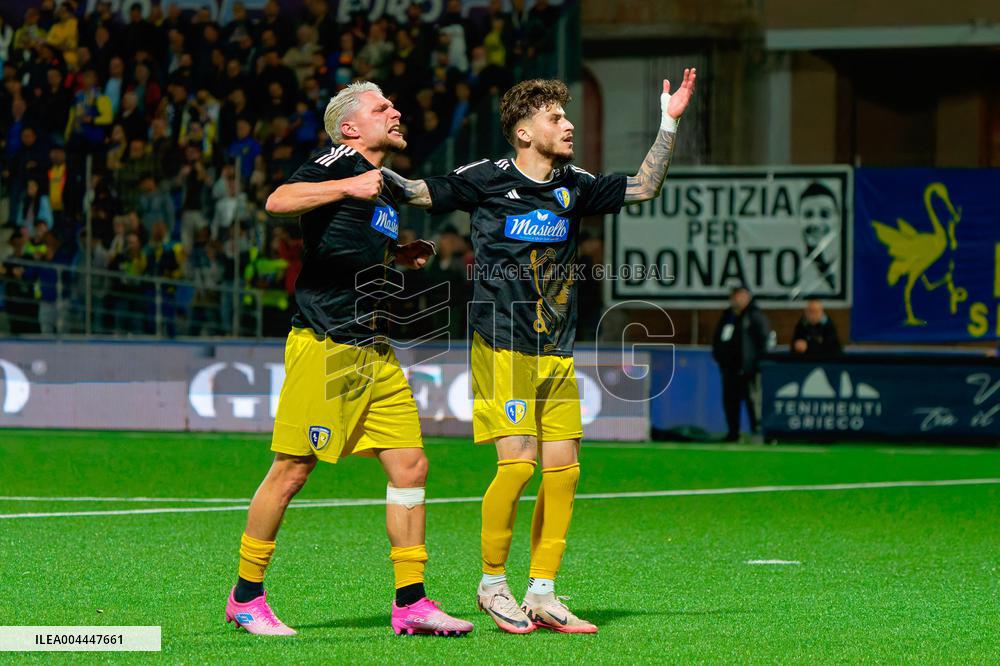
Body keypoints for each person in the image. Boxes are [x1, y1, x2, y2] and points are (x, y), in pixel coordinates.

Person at [384, 71, 697, 633]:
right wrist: (363, 165)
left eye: (566, 115)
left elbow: (644, 186)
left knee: (565, 471)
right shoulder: (484, 179)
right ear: (525, 132)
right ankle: (492, 584)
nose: (569, 123)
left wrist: (669, 120)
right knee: (519, 464)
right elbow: (416, 192)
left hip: (557, 346)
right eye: (556, 117)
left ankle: (543, 590)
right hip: (501, 342)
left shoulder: (573, 184)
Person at [224, 82, 471, 637]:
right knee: (291, 470)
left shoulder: (382, 187)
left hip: (374, 350)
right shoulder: (339, 161)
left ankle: (411, 603)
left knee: (411, 467)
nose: (396, 110)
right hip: (326, 344)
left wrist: (395, 253)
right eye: (382, 106)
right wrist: (346, 183)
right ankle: (245, 598)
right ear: (352, 128)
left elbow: (344, 242)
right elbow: (277, 202)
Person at [712, 286, 770, 442]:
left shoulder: (755, 316)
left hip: (749, 370)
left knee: (753, 403)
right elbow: (718, 339)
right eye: (733, 297)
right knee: (730, 403)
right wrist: (719, 357)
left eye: (738, 297)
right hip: (729, 369)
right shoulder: (727, 316)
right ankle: (733, 433)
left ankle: (757, 433)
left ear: (746, 297)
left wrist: (757, 364)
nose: (735, 300)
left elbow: (763, 341)